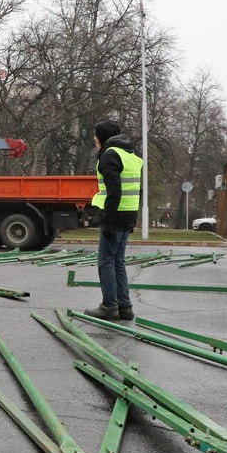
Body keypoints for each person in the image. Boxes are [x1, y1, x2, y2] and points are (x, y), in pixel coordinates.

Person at [86, 120, 143, 321]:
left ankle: (109, 306)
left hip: (115, 215)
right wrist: (132, 219)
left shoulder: (110, 155)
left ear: (102, 137)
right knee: (118, 261)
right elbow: (136, 190)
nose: (94, 141)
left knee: (106, 262)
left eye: (96, 137)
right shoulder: (131, 156)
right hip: (127, 214)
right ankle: (125, 307)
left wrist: (108, 221)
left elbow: (114, 191)